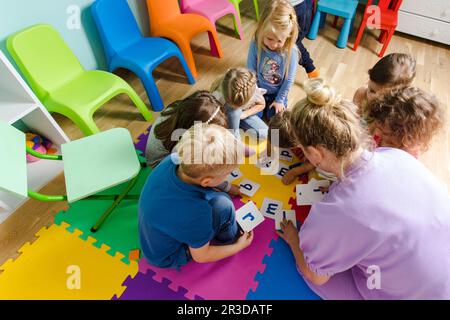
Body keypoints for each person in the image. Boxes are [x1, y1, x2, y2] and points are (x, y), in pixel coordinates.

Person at [278, 78, 450, 299]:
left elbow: (316, 275)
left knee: (310, 272)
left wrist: (294, 240)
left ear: (315, 153)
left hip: (415, 293)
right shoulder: (397, 155)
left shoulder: (337, 210)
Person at [139, 123, 254, 269]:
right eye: (227, 174)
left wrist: (227, 186)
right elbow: (201, 256)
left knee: (220, 200)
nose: (228, 177)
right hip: (169, 255)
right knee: (224, 205)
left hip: (154, 237)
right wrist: (238, 246)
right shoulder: (196, 213)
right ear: (206, 181)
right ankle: (231, 238)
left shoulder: (173, 160)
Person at [145, 90, 240, 196]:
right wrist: (226, 187)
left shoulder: (181, 110)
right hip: (159, 166)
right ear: (196, 129)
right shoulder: (183, 147)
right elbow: (202, 171)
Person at [247, 0, 299, 119]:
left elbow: (289, 80)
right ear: (261, 30)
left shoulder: (291, 52)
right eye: (270, 39)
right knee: (251, 117)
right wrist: (255, 93)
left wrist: (280, 100)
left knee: (276, 121)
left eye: (280, 41)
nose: (274, 45)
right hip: (258, 90)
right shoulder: (256, 44)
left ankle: (273, 138)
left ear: (288, 37)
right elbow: (251, 70)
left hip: (277, 94)